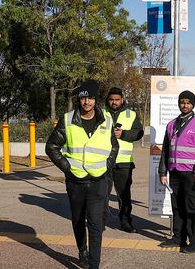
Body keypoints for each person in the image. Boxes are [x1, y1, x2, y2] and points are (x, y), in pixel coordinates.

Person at [45, 80, 119, 269]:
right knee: (78, 220)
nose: (86, 102)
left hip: (98, 181)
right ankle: (82, 251)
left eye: (91, 98)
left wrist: (108, 165)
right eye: (83, 97)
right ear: (79, 98)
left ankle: (94, 265)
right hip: (75, 181)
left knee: (95, 223)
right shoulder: (68, 120)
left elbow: (114, 146)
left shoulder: (107, 120)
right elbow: (51, 147)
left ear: (96, 99)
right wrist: (67, 168)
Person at [158, 90, 195, 254]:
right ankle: (178, 237)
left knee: (193, 208)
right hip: (174, 173)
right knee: (177, 206)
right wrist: (162, 172)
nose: (185, 105)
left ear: (193, 104)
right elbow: (165, 151)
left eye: (188, 102)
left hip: (191, 174)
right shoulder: (172, 124)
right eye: (182, 102)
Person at [103, 87, 144, 233]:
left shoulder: (130, 114)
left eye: (117, 100)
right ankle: (100, 222)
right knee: (102, 194)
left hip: (123, 162)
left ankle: (125, 222)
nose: (114, 102)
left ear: (122, 99)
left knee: (124, 195)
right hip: (104, 161)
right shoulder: (101, 113)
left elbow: (139, 132)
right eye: (111, 100)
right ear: (108, 100)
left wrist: (124, 134)